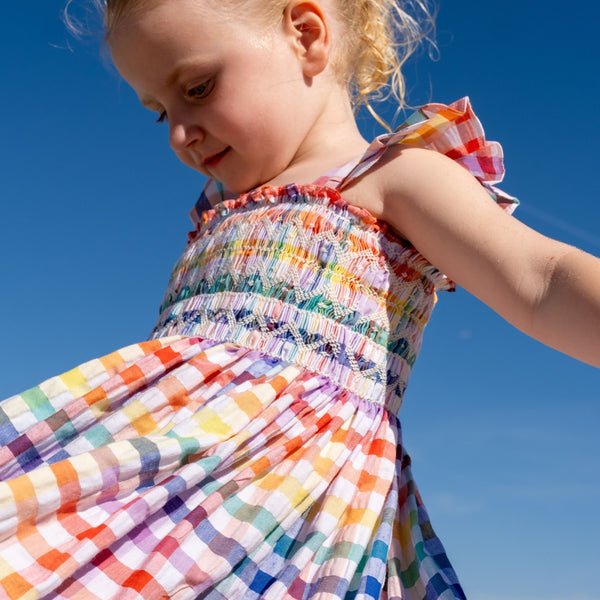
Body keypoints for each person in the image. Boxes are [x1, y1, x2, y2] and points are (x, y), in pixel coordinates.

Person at [0, 0, 598, 599]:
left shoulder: (392, 175)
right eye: (161, 113)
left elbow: (541, 279)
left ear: (306, 34)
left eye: (199, 88)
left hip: (300, 506)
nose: (180, 133)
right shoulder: (215, 214)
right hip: (166, 482)